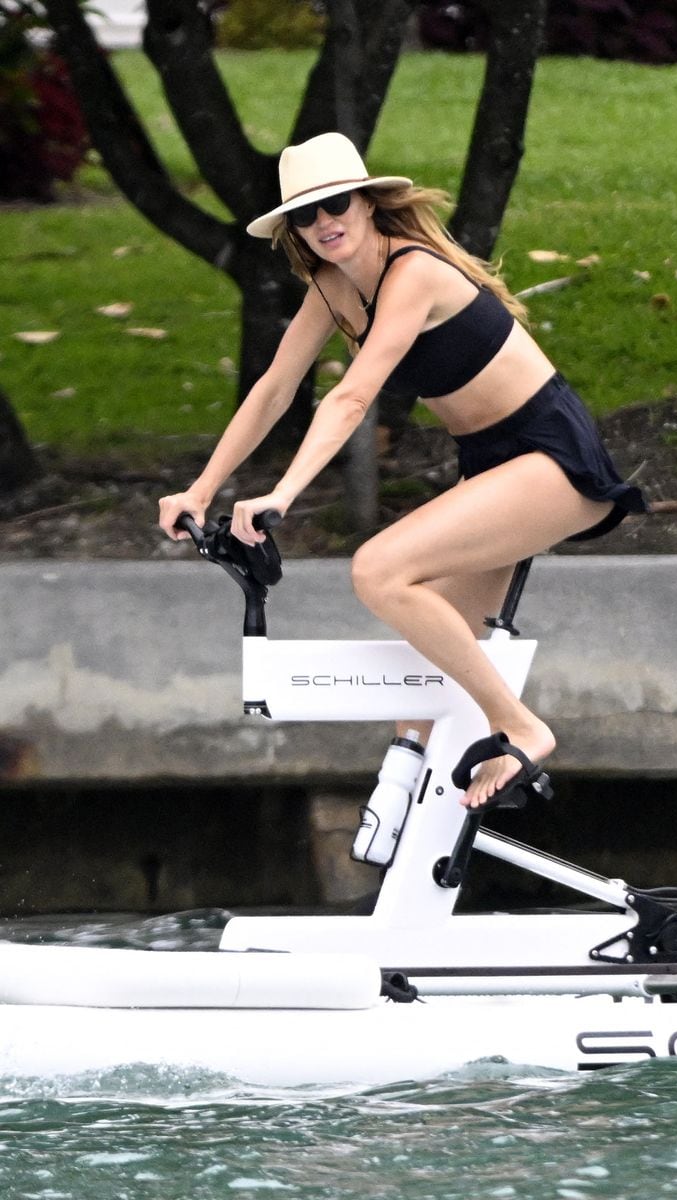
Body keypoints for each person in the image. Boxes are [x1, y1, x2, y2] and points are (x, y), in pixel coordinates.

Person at [158, 131, 647, 809]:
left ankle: (520, 728)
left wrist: (285, 493)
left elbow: (354, 395)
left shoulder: (411, 271)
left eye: (338, 205)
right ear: (295, 231)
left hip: (548, 457)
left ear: (367, 204)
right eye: (308, 214)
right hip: (491, 466)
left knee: (378, 570)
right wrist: (202, 488)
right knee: (425, 671)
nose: (326, 223)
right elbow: (274, 389)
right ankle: (406, 801)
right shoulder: (333, 287)